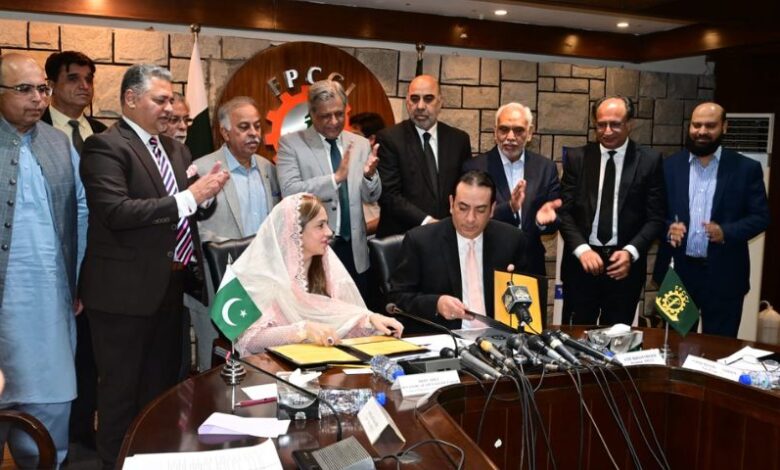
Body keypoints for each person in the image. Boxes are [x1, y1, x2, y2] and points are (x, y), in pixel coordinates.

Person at [79, 64, 229, 468]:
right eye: (160, 100)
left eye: (171, 100)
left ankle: (149, 460)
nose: (169, 108)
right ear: (131, 99)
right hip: (122, 295)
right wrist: (191, 197)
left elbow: (186, 210)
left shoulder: (176, 149)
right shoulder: (105, 147)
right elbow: (117, 211)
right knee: (120, 394)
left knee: (160, 391)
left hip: (170, 287)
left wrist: (207, 196)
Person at [0, 53, 88, 468]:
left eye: (42, 89)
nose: (37, 98)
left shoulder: (58, 143)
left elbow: (82, 212)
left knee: (49, 403)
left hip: (49, 303)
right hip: (6, 304)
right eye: (24, 89)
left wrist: (77, 280)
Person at [233, 193, 403, 355]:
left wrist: (369, 320)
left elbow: (340, 318)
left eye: (327, 224)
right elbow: (250, 340)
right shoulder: (262, 278)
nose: (329, 232)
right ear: (294, 232)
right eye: (320, 225)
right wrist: (302, 330)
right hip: (274, 367)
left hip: (321, 364)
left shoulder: (326, 268)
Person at [653, 102, 769, 337]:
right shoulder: (669, 166)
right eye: (696, 125)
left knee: (719, 347)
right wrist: (668, 229)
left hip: (725, 276)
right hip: (678, 275)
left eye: (710, 125)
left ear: (724, 127)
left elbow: (761, 217)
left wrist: (726, 232)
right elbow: (653, 212)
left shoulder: (746, 169)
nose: (702, 131)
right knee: (674, 345)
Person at [41, 49, 104, 450]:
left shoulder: (102, 132)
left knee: (95, 351)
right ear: (51, 86)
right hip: (54, 260)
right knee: (61, 349)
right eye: (73, 79)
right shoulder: (37, 131)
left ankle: (85, 430)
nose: (84, 86)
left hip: (101, 258)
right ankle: (54, 435)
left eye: (88, 79)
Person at [189, 96, 280, 371]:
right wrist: (229, 251)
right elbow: (193, 228)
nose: (253, 133)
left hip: (261, 281)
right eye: (244, 127)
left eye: (257, 126)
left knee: (258, 358)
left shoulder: (268, 169)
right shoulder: (203, 169)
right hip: (219, 282)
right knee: (216, 361)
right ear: (225, 132)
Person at [558, 96, 665, 326]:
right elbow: (564, 212)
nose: (607, 131)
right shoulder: (577, 158)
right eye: (601, 125)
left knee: (616, 338)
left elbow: (655, 218)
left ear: (630, 124)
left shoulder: (649, 161)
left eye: (615, 124)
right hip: (581, 267)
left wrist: (630, 252)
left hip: (624, 270)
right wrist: (582, 250)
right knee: (575, 336)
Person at [389, 171, 530, 334]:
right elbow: (396, 299)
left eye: (480, 210)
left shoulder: (511, 240)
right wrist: (436, 304)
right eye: (463, 208)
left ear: (492, 209)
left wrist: (514, 283)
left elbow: (529, 300)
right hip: (444, 339)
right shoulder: (420, 241)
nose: (470, 218)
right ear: (451, 204)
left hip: (499, 338)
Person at [276, 79, 380, 299]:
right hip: (314, 253)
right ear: (312, 114)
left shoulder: (360, 144)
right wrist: (335, 179)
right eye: (325, 116)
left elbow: (372, 195)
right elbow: (290, 191)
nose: (334, 121)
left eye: (339, 114)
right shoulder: (291, 144)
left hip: (355, 253)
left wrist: (369, 177)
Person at [463, 102, 561, 276]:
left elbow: (554, 220)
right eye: (504, 129)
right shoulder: (474, 168)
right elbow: (470, 217)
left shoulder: (546, 168)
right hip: (487, 263)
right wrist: (509, 208)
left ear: (529, 133)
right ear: (495, 132)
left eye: (518, 130)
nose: (510, 136)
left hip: (531, 265)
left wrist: (541, 222)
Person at [375, 74, 472, 237]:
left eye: (428, 99)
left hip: (448, 235)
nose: (420, 106)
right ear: (407, 102)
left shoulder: (459, 140)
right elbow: (389, 195)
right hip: (402, 238)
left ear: (440, 102)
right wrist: (428, 221)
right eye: (414, 99)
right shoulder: (389, 139)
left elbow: (464, 189)